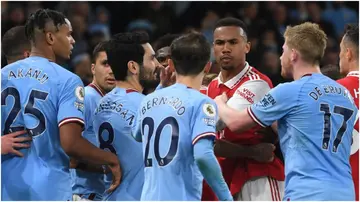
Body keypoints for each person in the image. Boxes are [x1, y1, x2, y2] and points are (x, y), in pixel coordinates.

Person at [214, 22, 358, 200]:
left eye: (283, 51)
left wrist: (220, 103)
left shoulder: (289, 91)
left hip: (307, 192)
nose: (281, 57)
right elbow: (306, 123)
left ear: (293, 55)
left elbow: (235, 123)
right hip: (345, 192)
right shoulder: (344, 93)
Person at [1, 9, 121, 201]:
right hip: (50, 189)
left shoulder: (3, 75)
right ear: (50, 37)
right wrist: (111, 160)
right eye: (68, 34)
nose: (72, 40)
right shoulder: (67, 80)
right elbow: (71, 143)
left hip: (6, 187)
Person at [133, 32, 233, 201]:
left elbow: (136, 134)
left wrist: (160, 89)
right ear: (207, 66)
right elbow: (203, 155)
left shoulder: (148, 100)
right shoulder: (202, 103)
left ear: (171, 64)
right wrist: (226, 197)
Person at [203, 17, 284, 201]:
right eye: (220, 43)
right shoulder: (211, 86)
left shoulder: (256, 83)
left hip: (258, 174)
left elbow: (215, 124)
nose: (225, 48)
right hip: (225, 175)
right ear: (213, 48)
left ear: (247, 47)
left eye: (233, 42)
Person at [93, 32, 160, 200]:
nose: (157, 64)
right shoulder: (147, 106)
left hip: (112, 195)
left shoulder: (102, 103)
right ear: (133, 67)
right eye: (151, 59)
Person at [71, 41, 116, 201]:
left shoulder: (111, 100)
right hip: (86, 194)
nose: (111, 71)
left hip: (102, 193)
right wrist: (110, 165)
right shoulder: (87, 97)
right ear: (92, 68)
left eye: (115, 65)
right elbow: (71, 157)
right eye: (105, 64)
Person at [337, 24, 359, 201]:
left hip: (345, 191)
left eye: (340, 50)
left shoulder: (333, 91)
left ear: (349, 53)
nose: (339, 56)